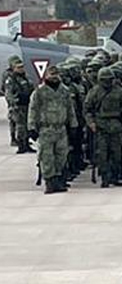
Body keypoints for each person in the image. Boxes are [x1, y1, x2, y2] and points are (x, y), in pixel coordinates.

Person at [28, 65, 77, 194]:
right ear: (46, 76)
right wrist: (32, 127)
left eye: (56, 75)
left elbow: (70, 109)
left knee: (61, 156)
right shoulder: (39, 92)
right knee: (47, 157)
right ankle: (50, 182)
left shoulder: (64, 91)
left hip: (61, 128)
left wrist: (73, 125)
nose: (54, 77)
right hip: (46, 129)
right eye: (51, 75)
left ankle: (59, 180)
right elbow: (33, 110)